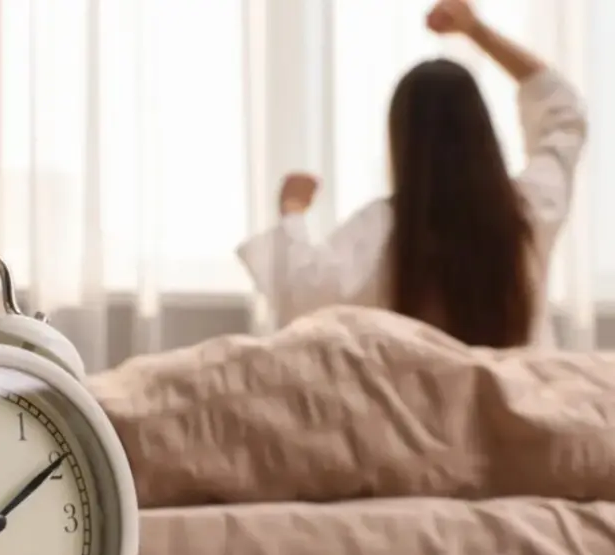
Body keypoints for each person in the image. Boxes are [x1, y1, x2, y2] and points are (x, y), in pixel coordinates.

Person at [236, 0, 587, 349]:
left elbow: (301, 292)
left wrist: (293, 209)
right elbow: (562, 111)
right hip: (520, 387)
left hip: (419, 389)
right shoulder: (530, 209)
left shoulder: (382, 230)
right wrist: (476, 31)